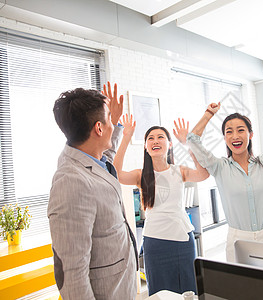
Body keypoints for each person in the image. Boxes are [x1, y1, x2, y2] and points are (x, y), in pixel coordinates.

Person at [185, 98, 263, 262]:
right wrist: (209, 114)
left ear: (250, 134)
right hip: (238, 239)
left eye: (240, 130)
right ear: (224, 138)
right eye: (229, 132)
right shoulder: (219, 167)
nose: (235, 136)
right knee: (241, 287)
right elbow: (192, 139)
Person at [48, 82, 138, 299]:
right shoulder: (71, 182)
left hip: (121, 286)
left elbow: (106, 155)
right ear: (98, 128)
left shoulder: (90, 157)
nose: (111, 124)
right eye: (108, 119)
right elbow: (71, 275)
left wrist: (114, 122)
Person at [113, 114, 209, 296]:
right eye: (150, 138)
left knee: (189, 292)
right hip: (155, 243)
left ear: (169, 144)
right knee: (160, 294)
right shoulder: (140, 175)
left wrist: (188, 143)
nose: (155, 141)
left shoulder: (179, 171)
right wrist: (125, 137)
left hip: (182, 240)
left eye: (160, 137)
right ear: (146, 147)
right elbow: (115, 173)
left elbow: (203, 174)